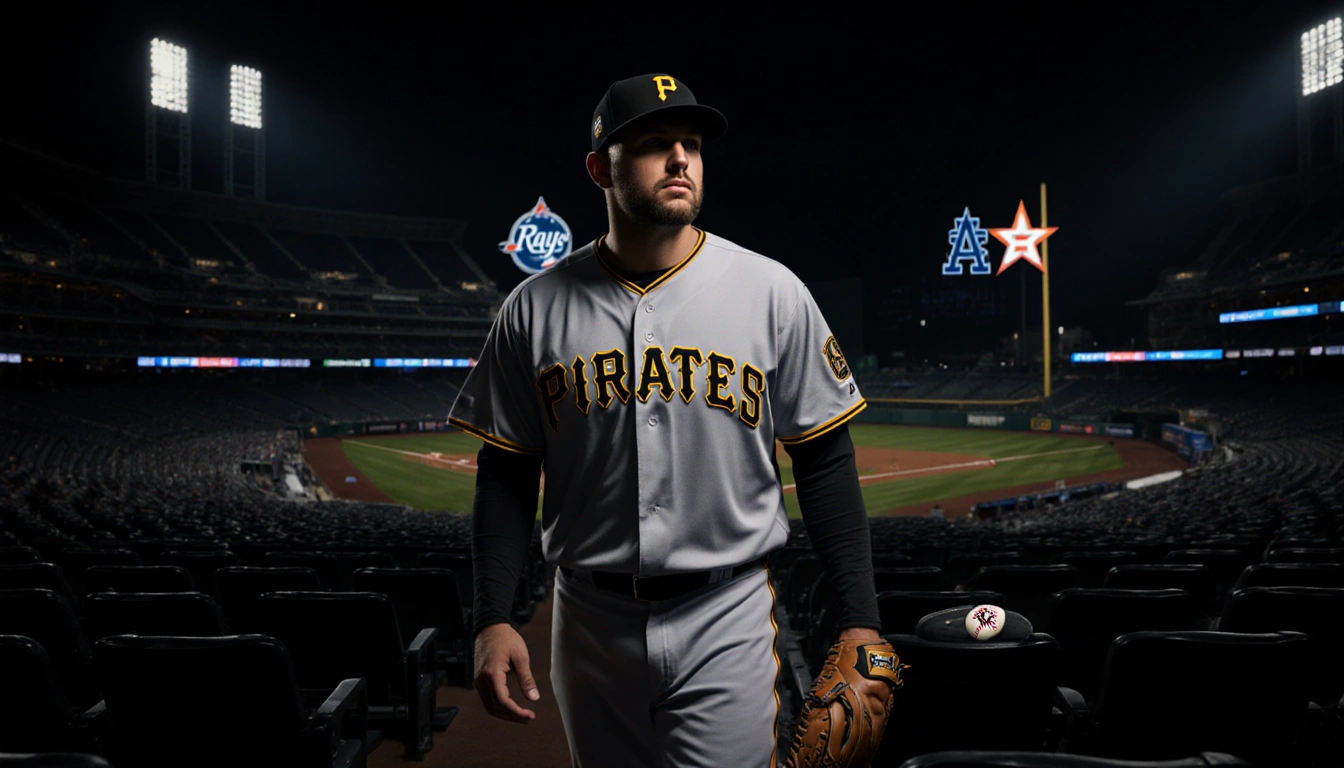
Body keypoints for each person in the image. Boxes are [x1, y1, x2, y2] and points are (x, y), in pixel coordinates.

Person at [449, 72, 883, 768]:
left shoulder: (773, 291)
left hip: (728, 611)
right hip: (587, 619)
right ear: (600, 168)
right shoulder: (532, 308)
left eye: (692, 144)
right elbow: (504, 472)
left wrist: (861, 619)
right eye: (654, 144)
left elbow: (826, 458)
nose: (681, 158)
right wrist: (492, 618)